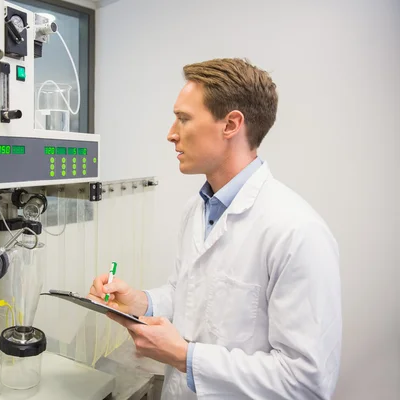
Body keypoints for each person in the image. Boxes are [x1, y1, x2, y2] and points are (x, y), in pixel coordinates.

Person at [88, 58, 342, 399]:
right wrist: (141, 303)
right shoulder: (196, 210)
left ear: (231, 124)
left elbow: (306, 383)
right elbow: (188, 296)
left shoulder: (297, 232)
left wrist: (184, 356)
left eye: (183, 118)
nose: (171, 133)